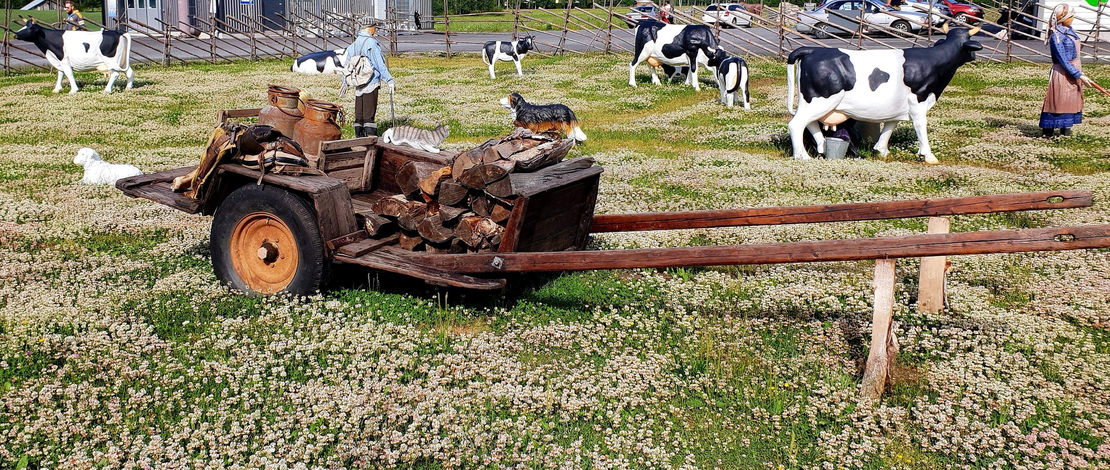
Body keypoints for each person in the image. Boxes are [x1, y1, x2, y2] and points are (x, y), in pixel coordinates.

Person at [1040, 3, 1094, 137]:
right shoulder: (1056, 35)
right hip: (1062, 72)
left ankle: (1065, 131)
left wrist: (1079, 72)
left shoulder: (1070, 31)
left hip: (1074, 69)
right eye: (1071, 16)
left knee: (1070, 100)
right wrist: (1079, 75)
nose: (1073, 18)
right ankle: (1049, 132)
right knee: (1058, 100)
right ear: (1063, 17)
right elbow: (1062, 59)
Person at [343, 18, 396, 138]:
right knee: (369, 115)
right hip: (371, 82)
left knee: (359, 115)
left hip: (358, 83)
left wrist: (344, 82)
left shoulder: (354, 45)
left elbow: (348, 66)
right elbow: (379, 64)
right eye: (375, 27)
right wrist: (389, 80)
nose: (375, 30)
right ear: (371, 28)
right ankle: (370, 142)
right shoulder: (371, 43)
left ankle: (359, 139)